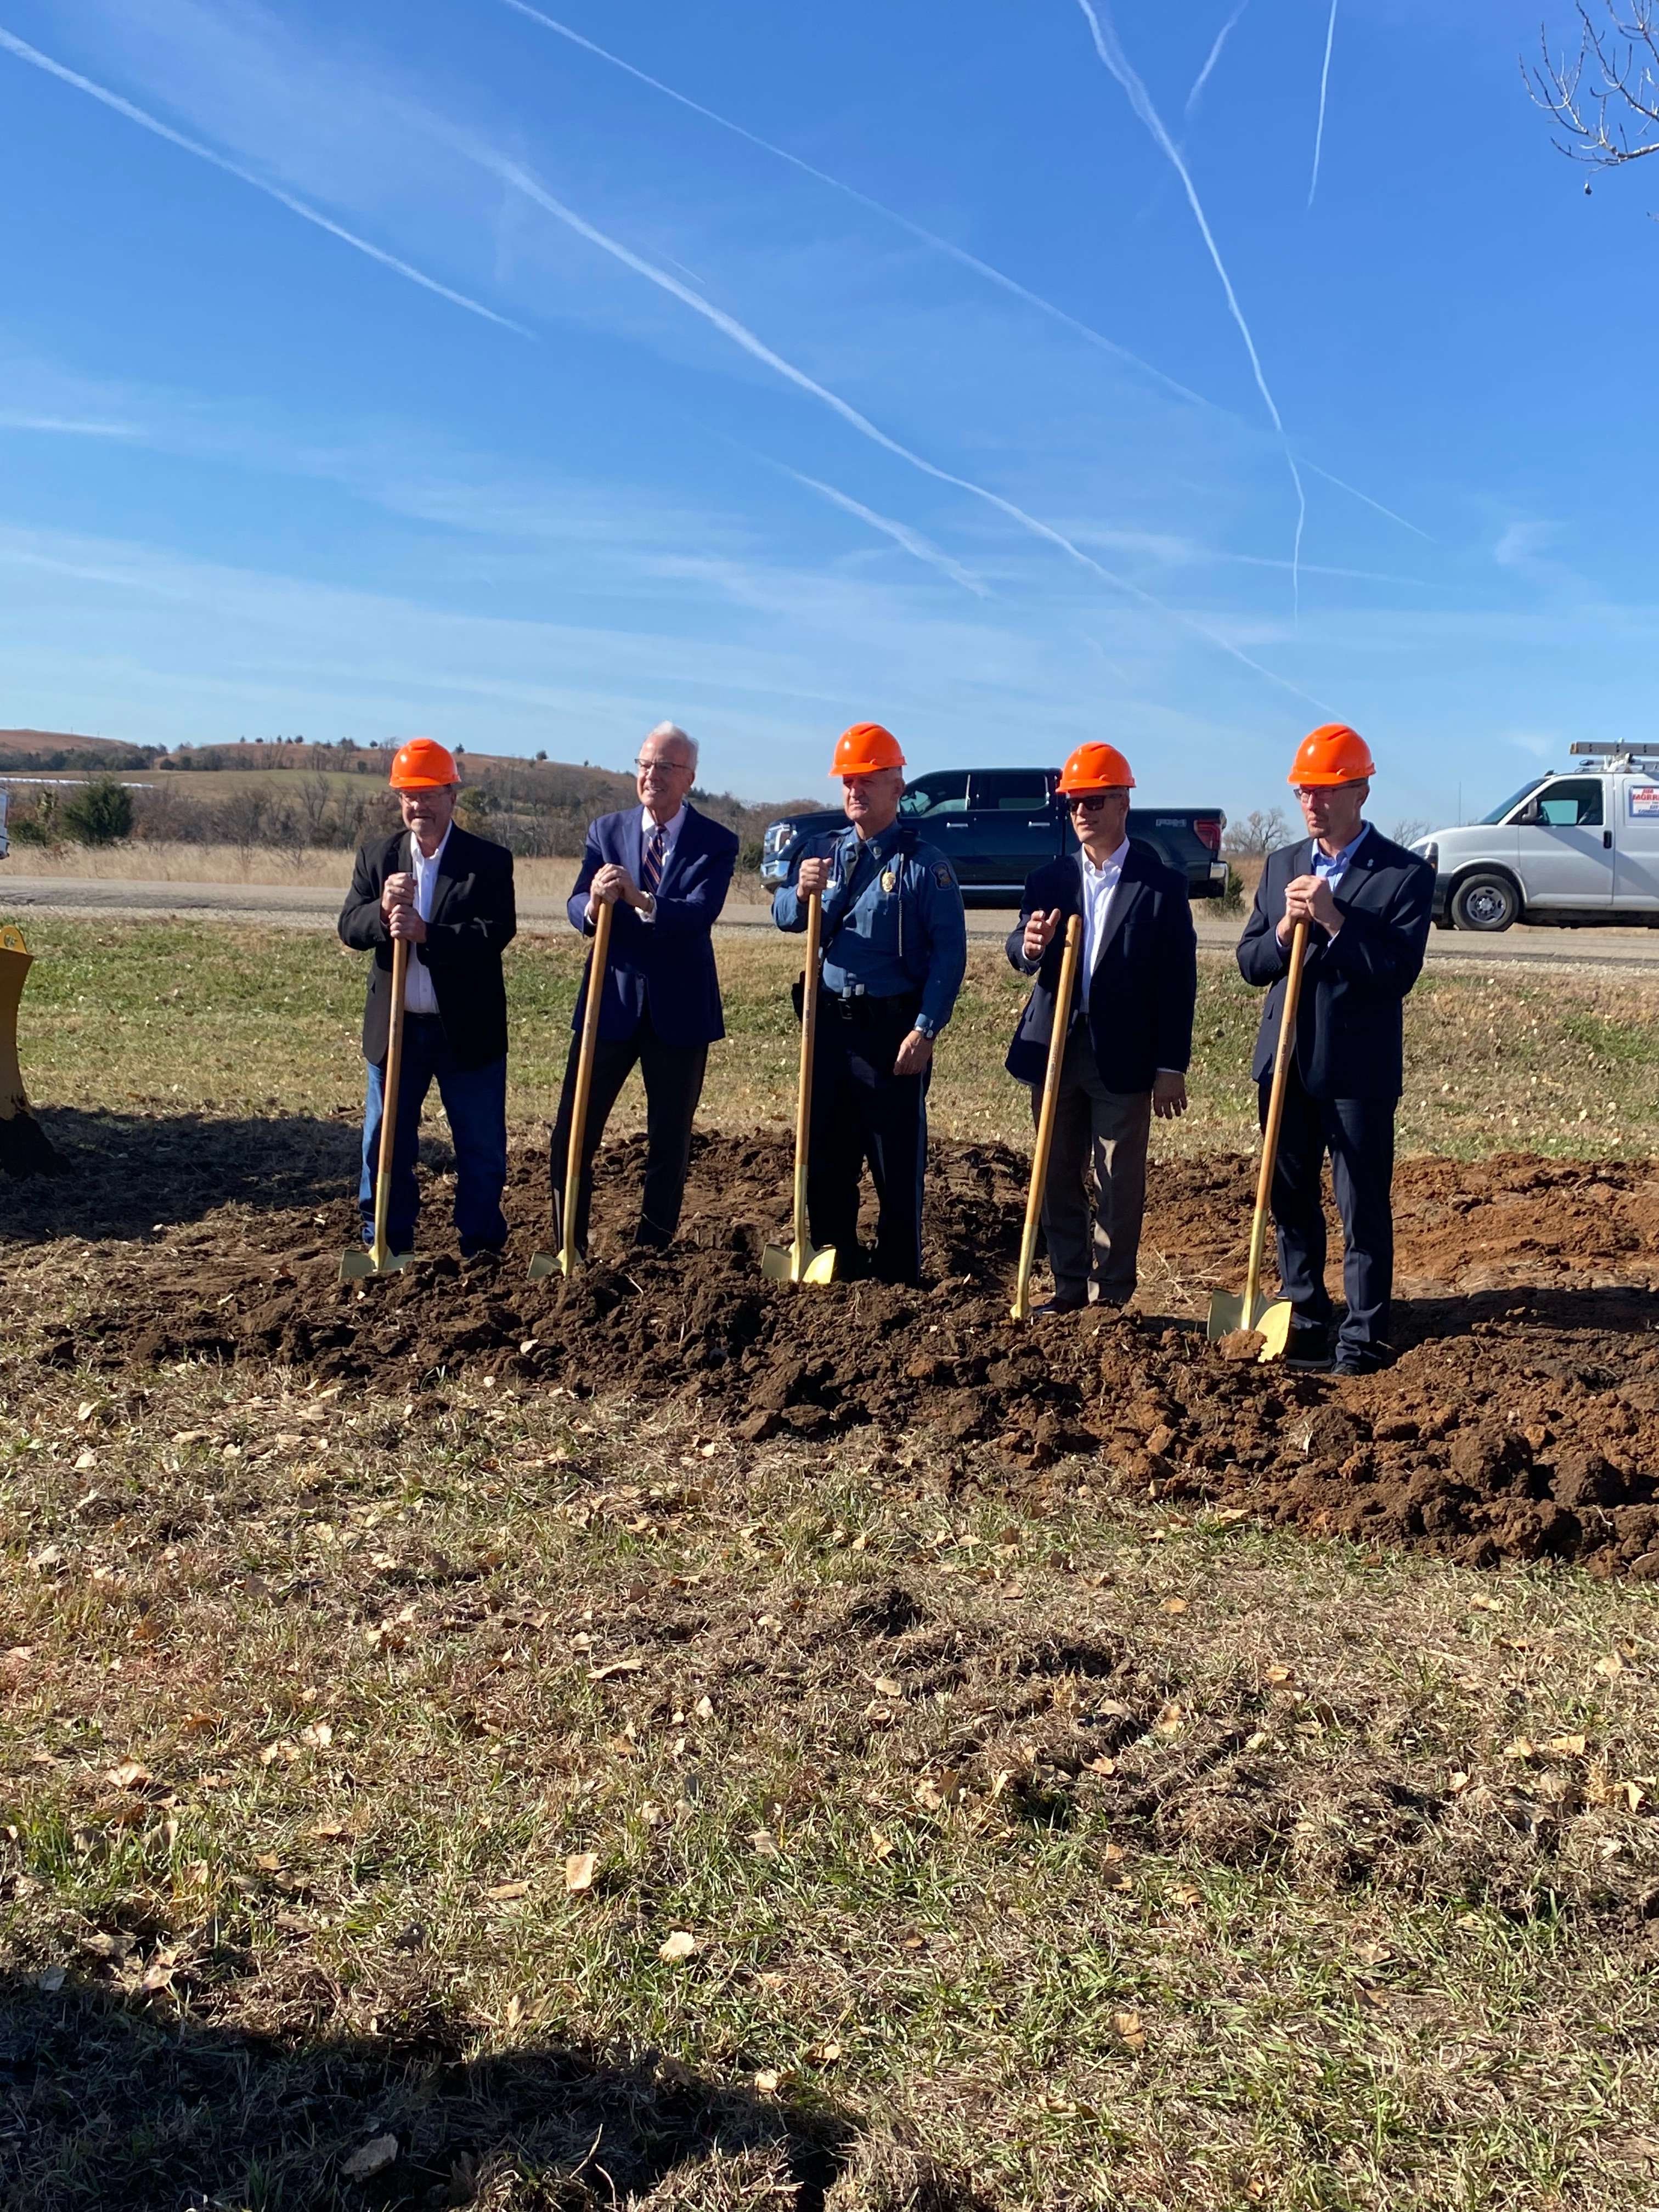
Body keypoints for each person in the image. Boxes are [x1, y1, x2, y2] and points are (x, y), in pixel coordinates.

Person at [1237, 722, 1434, 1375]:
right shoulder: (1280, 865)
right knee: (1291, 1201)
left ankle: (1366, 1334)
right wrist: (1288, 927)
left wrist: (1334, 921)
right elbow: (1251, 960)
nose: (1312, 804)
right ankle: (1306, 1320)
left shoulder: (1402, 874)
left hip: (1357, 1072)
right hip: (1286, 1063)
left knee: (1361, 1206)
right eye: (1302, 792)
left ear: (1361, 790)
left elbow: (1396, 973)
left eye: (1325, 791)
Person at [1005, 741, 1197, 1314]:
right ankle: (1066, 1288)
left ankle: (1109, 1295)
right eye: (1074, 804)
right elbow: (1021, 945)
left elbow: (1177, 983)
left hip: (1124, 1056)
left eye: (1094, 800)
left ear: (1123, 803)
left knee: (1117, 1180)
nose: (1082, 812)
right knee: (1056, 1172)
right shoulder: (1048, 880)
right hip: (1055, 1047)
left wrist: (1171, 1065)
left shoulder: (1161, 887)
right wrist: (1028, 946)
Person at [772, 721, 967, 1286]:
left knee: (894, 1162)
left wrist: (926, 1029)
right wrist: (800, 893)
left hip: (890, 1033)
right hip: (828, 1029)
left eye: (867, 781)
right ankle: (835, 1264)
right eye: (848, 782)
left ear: (896, 789)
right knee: (825, 1155)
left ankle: (899, 1278)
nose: (855, 791)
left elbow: (949, 956)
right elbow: (785, 919)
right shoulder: (823, 853)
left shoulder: (924, 864)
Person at [553, 721, 740, 1254]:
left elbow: (700, 912)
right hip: (608, 1005)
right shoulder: (606, 831)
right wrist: (592, 902)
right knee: (572, 1134)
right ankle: (569, 1247)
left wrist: (639, 898)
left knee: (669, 1143)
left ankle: (651, 1251)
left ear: (690, 779)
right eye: (644, 764)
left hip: (678, 1011)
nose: (651, 776)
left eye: (665, 767)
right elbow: (575, 906)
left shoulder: (716, 842)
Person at [338, 737, 517, 1261]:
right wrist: (381, 910)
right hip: (396, 1031)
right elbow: (350, 926)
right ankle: (387, 1244)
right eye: (408, 796)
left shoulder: (488, 861)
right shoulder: (378, 857)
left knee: (481, 1149)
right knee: (385, 1143)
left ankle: (481, 1247)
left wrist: (427, 933)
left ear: (452, 796)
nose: (418, 806)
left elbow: (495, 932)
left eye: (429, 794)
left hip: (466, 1031)